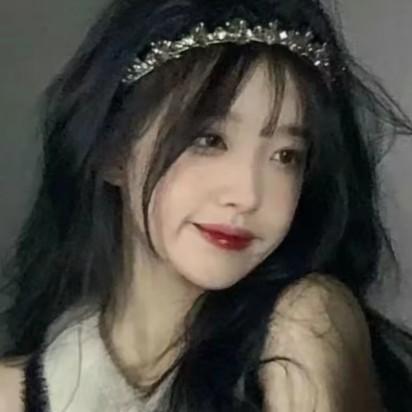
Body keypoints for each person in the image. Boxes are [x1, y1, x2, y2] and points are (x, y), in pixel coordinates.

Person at [0, 0, 411, 410]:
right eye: (209, 140)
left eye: (286, 156)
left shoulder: (306, 329)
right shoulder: (16, 393)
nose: (248, 196)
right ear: (114, 152)